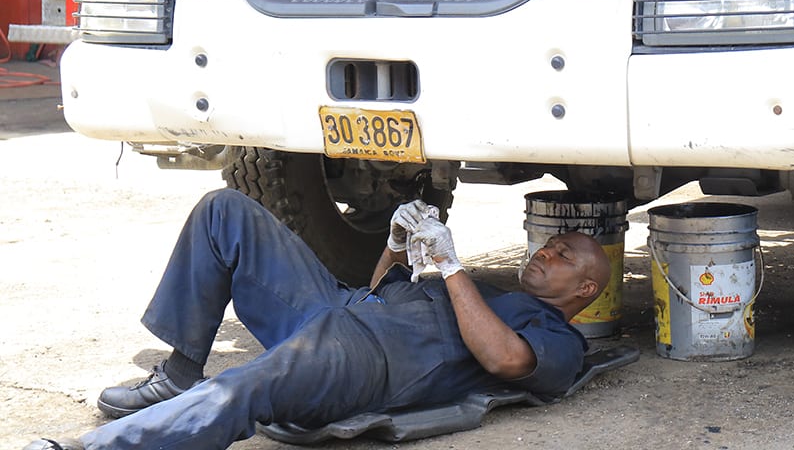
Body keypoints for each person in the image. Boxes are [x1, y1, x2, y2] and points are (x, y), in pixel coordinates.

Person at [24, 188, 610, 450]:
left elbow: (502, 359)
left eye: (563, 255)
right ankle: (180, 371)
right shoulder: (485, 291)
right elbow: (382, 288)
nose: (545, 252)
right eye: (549, 243)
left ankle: (92, 448)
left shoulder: (557, 339)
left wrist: (452, 266)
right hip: (343, 309)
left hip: (371, 360)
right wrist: (397, 241)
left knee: (245, 386)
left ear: (584, 289)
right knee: (226, 211)